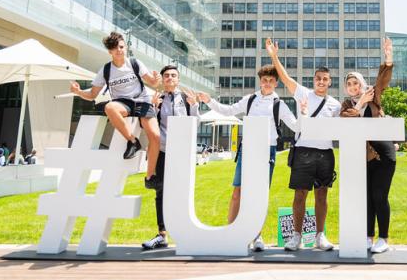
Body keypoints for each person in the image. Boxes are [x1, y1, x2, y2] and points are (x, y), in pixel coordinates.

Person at [195, 64, 307, 252]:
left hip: (267, 151)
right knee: (237, 192)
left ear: (276, 83)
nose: (268, 84)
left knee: (259, 196)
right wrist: (209, 101)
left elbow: (296, 127)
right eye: (265, 80)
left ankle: (257, 236)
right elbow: (228, 110)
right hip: (247, 150)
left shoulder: (279, 104)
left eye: (271, 81)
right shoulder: (250, 99)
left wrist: (303, 113)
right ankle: (230, 233)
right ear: (260, 81)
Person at [265, 38, 340, 252]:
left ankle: (320, 236)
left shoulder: (335, 104)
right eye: (318, 78)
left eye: (325, 79)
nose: (321, 82)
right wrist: (274, 57)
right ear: (313, 80)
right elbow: (285, 77)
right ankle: (296, 236)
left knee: (322, 195)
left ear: (329, 82)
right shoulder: (303, 93)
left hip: (325, 153)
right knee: (300, 194)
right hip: (304, 152)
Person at [70, 32, 162, 190]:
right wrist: (78, 92)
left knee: (155, 136)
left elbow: (152, 83)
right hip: (122, 103)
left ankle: (149, 177)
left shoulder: (135, 63)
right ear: (110, 52)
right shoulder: (105, 70)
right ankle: (133, 141)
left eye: (121, 46)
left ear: (125, 47)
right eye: (114, 48)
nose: (119, 50)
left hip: (142, 101)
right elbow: (93, 95)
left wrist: (156, 79)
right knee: (109, 107)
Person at [340, 37, 395, 254]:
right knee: (367, 198)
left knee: (379, 196)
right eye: (349, 84)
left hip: (383, 154)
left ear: (362, 84)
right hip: (363, 157)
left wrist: (388, 58)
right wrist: (359, 104)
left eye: (356, 83)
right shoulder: (346, 105)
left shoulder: (372, 95)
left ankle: (384, 238)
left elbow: (382, 80)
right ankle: (368, 237)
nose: (353, 87)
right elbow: (346, 119)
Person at [142, 64, 200, 251]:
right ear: (162, 79)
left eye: (173, 75)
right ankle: (161, 235)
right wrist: (153, 108)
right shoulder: (156, 98)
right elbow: (151, 127)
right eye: (166, 75)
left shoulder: (185, 99)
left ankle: (186, 232)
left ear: (178, 79)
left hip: (182, 152)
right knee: (161, 191)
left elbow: (195, 124)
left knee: (182, 190)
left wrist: (195, 107)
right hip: (163, 151)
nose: (170, 78)